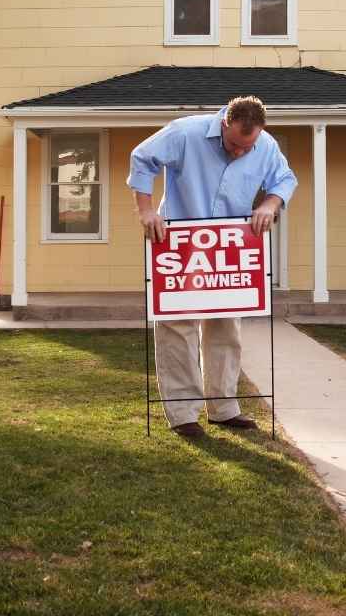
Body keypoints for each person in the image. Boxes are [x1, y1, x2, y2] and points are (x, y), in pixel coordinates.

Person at [127, 95, 297, 438]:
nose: (239, 152)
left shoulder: (265, 145)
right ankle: (183, 414)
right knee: (178, 327)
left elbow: (285, 178)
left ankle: (223, 409)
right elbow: (142, 158)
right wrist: (146, 210)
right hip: (180, 243)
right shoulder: (184, 133)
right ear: (224, 123)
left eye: (246, 149)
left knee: (225, 328)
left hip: (228, 249)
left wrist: (270, 203)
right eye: (234, 144)